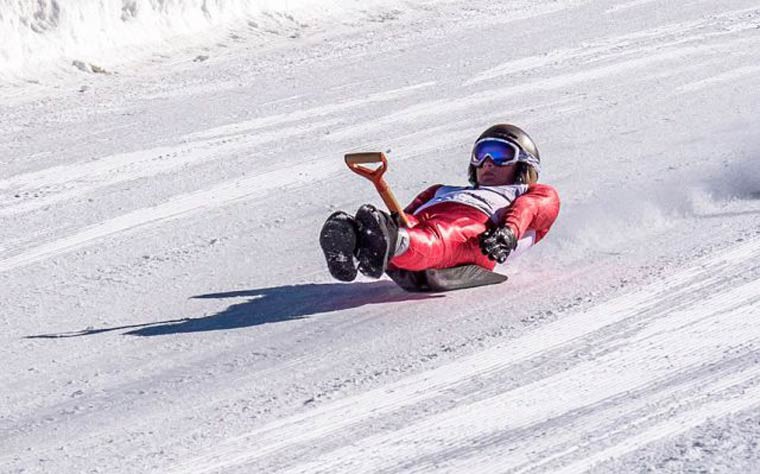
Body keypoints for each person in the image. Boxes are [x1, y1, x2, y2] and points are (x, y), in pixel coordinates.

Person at [319, 124, 560, 282]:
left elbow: (530, 210)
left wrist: (508, 233)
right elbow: (408, 214)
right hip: (432, 217)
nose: (487, 162)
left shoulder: (530, 192)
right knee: (408, 225)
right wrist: (392, 223)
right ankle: (356, 240)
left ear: (524, 166)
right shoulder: (441, 190)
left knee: (443, 236)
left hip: (479, 235)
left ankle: (395, 244)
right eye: (481, 153)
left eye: (500, 154)